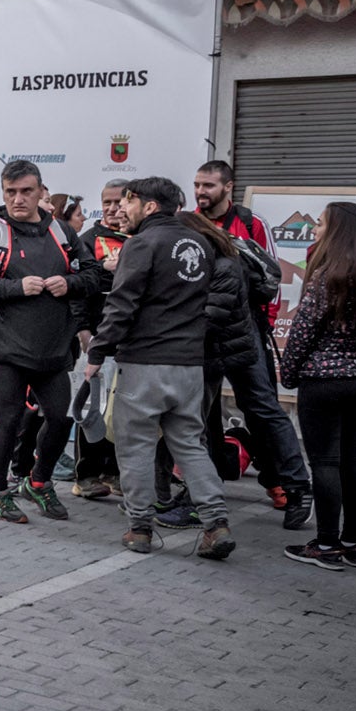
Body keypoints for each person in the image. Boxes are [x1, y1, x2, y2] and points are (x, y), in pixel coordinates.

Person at [83, 177, 235, 560]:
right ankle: (216, 524)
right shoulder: (199, 244)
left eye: (128, 203)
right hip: (189, 366)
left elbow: (121, 305)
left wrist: (97, 353)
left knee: (135, 448)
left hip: (145, 364)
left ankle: (139, 528)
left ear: (149, 207)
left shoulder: (141, 245)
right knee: (190, 444)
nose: (122, 211)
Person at [0, 161, 87, 523]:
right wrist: (16, 288)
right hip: (3, 348)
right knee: (5, 421)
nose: (18, 199)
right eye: (10, 192)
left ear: (41, 192)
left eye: (26, 191)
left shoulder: (62, 233)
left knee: (60, 419)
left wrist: (69, 283)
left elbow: (90, 275)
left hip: (53, 349)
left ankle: (38, 483)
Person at [193, 159, 311, 524]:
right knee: (201, 413)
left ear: (228, 187)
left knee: (262, 409)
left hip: (245, 334)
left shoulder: (251, 224)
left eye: (208, 186)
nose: (201, 192)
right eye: (197, 185)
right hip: (202, 336)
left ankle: (292, 488)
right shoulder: (188, 223)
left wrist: (266, 325)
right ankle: (204, 488)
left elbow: (273, 279)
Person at [280, 202, 356, 570]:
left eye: (319, 224)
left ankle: (327, 543)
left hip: (324, 379)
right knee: (353, 458)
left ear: (336, 231)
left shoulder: (328, 274)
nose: (315, 230)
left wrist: (288, 372)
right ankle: (354, 543)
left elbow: (303, 331)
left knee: (325, 462)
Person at [70, 181, 132, 499]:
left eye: (117, 202)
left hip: (132, 341)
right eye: (105, 202)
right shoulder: (87, 240)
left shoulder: (140, 238)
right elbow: (79, 287)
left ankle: (114, 473)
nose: (111, 208)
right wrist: (82, 329)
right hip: (97, 336)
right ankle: (86, 474)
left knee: (122, 410)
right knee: (94, 406)